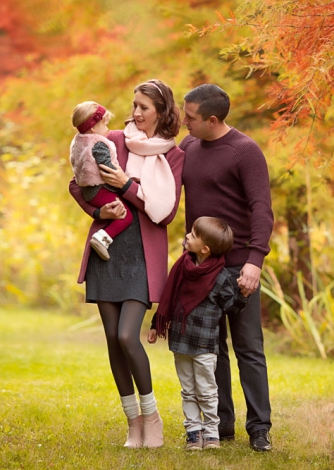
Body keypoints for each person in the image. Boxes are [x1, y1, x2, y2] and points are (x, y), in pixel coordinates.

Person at [69, 79, 184, 448]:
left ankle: (152, 416)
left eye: (144, 108)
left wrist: (126, 185)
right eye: (134, 105)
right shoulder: (114, 139)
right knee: (111, 340)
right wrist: (98, 208)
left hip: (141, 254)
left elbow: (164, 213)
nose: (134, 113)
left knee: (126, 336)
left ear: (162, 112)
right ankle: (133, 423)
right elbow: (78, 184)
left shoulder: (175, 155)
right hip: (107, 249)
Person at [179, 84, 275, 452]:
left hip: (239, 269)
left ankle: (260, 428)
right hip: (202, 266)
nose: (184, 122)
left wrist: (254, 262)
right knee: (210, 349)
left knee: (248, 348)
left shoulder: (245, 152)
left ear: (212, 120)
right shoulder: (188, 147)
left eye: (190, 117)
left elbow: (261, 210)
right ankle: (221, 424)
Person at [147, 216, 248, 451]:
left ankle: (211, 432)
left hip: (204, 345)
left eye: (192, 235)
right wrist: (155, 324)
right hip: (180, 342)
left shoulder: (221, 278)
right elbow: (168, 300)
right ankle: (193, 431)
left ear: (205, 248)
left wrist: (242, 293)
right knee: (188, 389)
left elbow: (230, 307)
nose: (187, 237)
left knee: (207, 390)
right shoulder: (182, 267)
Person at [69, 101, 132, 260]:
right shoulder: (98, 144)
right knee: (126, 215)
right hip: (100, 190)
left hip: (88, 191)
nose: (108, 129)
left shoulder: (79, 140)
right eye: (104, 124)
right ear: (93, 127)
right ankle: (103, 238)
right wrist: (124, 179)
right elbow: (107, 169)